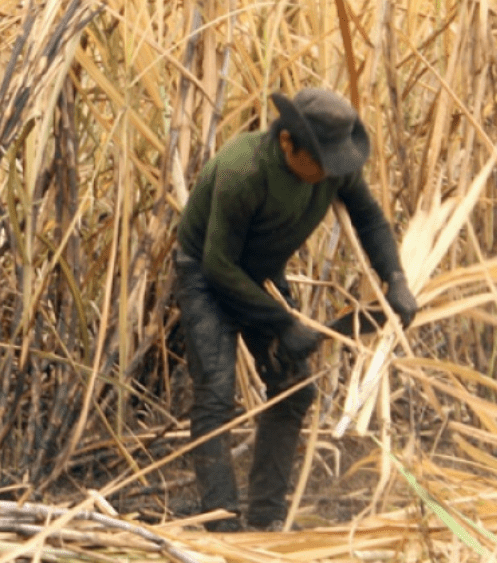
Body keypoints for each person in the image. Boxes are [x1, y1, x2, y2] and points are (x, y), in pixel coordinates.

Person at [174, 88, 418, 531]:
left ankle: (266, 515)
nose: (330, 173)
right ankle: (222, 523)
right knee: (215, 393)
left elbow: (370, 219)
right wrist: (283, 321)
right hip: (207, 279)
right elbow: (218, 265)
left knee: (294, 390)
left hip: (262, 277)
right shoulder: (242, 171)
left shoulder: (331, 168)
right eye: (321, 163)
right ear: (287, 142)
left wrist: (396, 279)